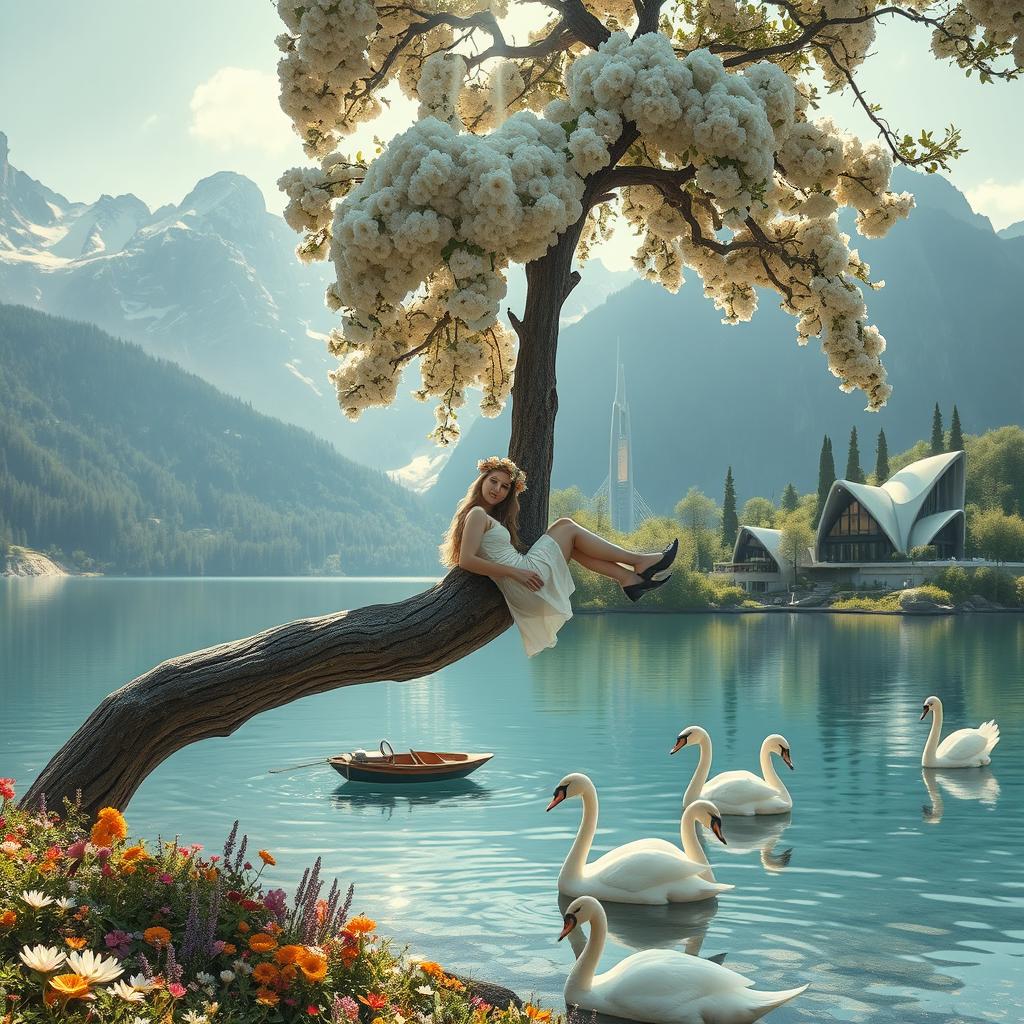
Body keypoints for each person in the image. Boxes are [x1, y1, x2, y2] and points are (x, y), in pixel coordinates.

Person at [440, 456, 678, 657]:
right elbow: (466, 560)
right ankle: (638, 561)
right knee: (566, 526)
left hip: (524, 584)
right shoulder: (478, 514)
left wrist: (518, 572)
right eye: (494, 482)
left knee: (573, 547)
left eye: (504, 487)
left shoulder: (487, 517)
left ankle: (629, 580)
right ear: (482, 480)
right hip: (524, 579)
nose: (497, 490)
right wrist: (516, 572)